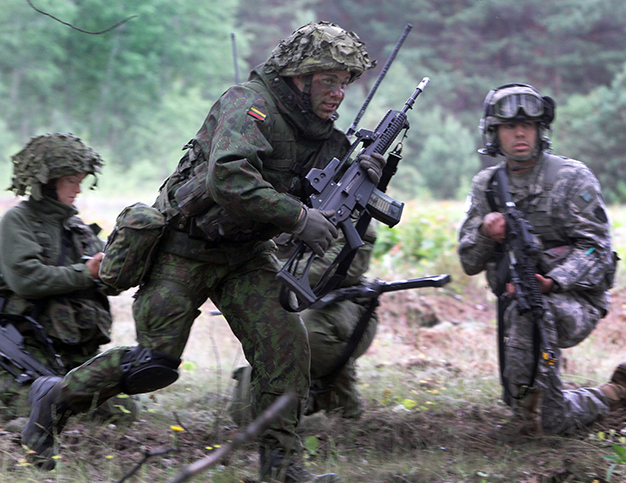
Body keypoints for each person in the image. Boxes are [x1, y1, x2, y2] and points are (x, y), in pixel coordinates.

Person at [22, 21, 382, 482]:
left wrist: (358, 179)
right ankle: (54, 399)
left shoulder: (325, 135)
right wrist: (296, 217)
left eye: (345, 83)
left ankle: (284, 471)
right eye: (328, 80)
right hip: (183, 247)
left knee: (286, 353)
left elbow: (312, 200)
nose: (338, 93)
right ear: (299, 75)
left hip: (245, 256)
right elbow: (229, 177)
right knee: (155, 364)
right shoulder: (249, 103)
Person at [458, 83, 626, 440]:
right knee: (536, 395)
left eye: (529, 125)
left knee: (546, 415)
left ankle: (546, 409)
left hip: (576, 301)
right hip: (516, 304)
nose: (520, 133)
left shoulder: (570, 178)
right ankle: (599, 395)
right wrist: (485, 231)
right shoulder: (488, 186)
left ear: (541, 130)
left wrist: (554, 281)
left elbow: (596, 250)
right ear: (494, 133)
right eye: (510, 127)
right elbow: (469, 261)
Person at [0, 133, 135, 424]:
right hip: (27, 348)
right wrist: (85, 273)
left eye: (81, 181)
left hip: (76, 352)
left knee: (122, 414)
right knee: (38, 413)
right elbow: (26, 280)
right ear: (48, 181)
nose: (78, 189)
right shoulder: (17, 221)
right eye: (71, 181)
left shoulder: (78, 227)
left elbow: (110, 281)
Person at [232, 223, 379, 425]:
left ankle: (330, 396)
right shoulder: (282, 202)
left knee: (305, 335)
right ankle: (308, 397)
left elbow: (342, 266)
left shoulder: (352, 204)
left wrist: (271, 272)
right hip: (291, 302)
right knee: (246, 415)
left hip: (346, 305)